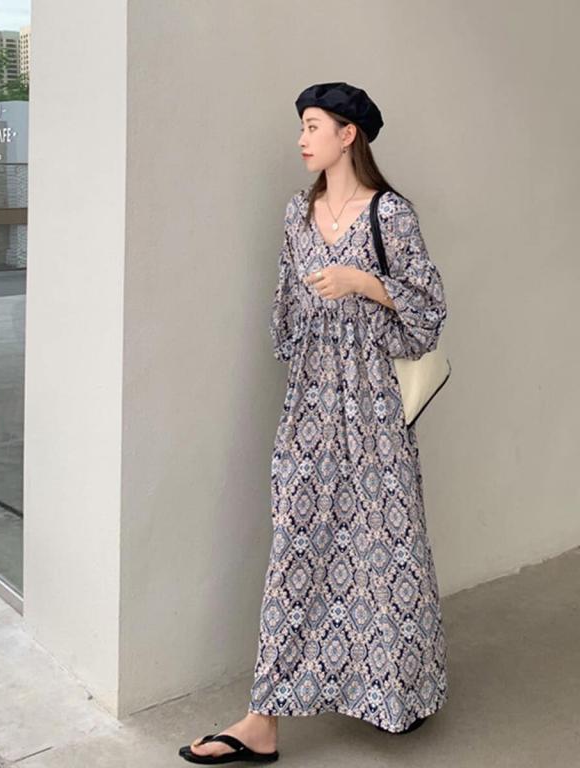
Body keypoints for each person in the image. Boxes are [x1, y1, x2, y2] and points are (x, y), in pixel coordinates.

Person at [178, 81, 449, 764]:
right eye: (301, 126)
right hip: (311, 404)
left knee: (386, 554)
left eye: (313, 125)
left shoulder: (391, 214)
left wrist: (362, 283)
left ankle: (398, 695)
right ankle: (261, 722)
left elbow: (428, 309)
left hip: (375, 408)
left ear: (348, 134)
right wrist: (310, 368)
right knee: (297, 550)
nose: (301, 138)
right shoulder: (297, 214)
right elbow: (284, 310)